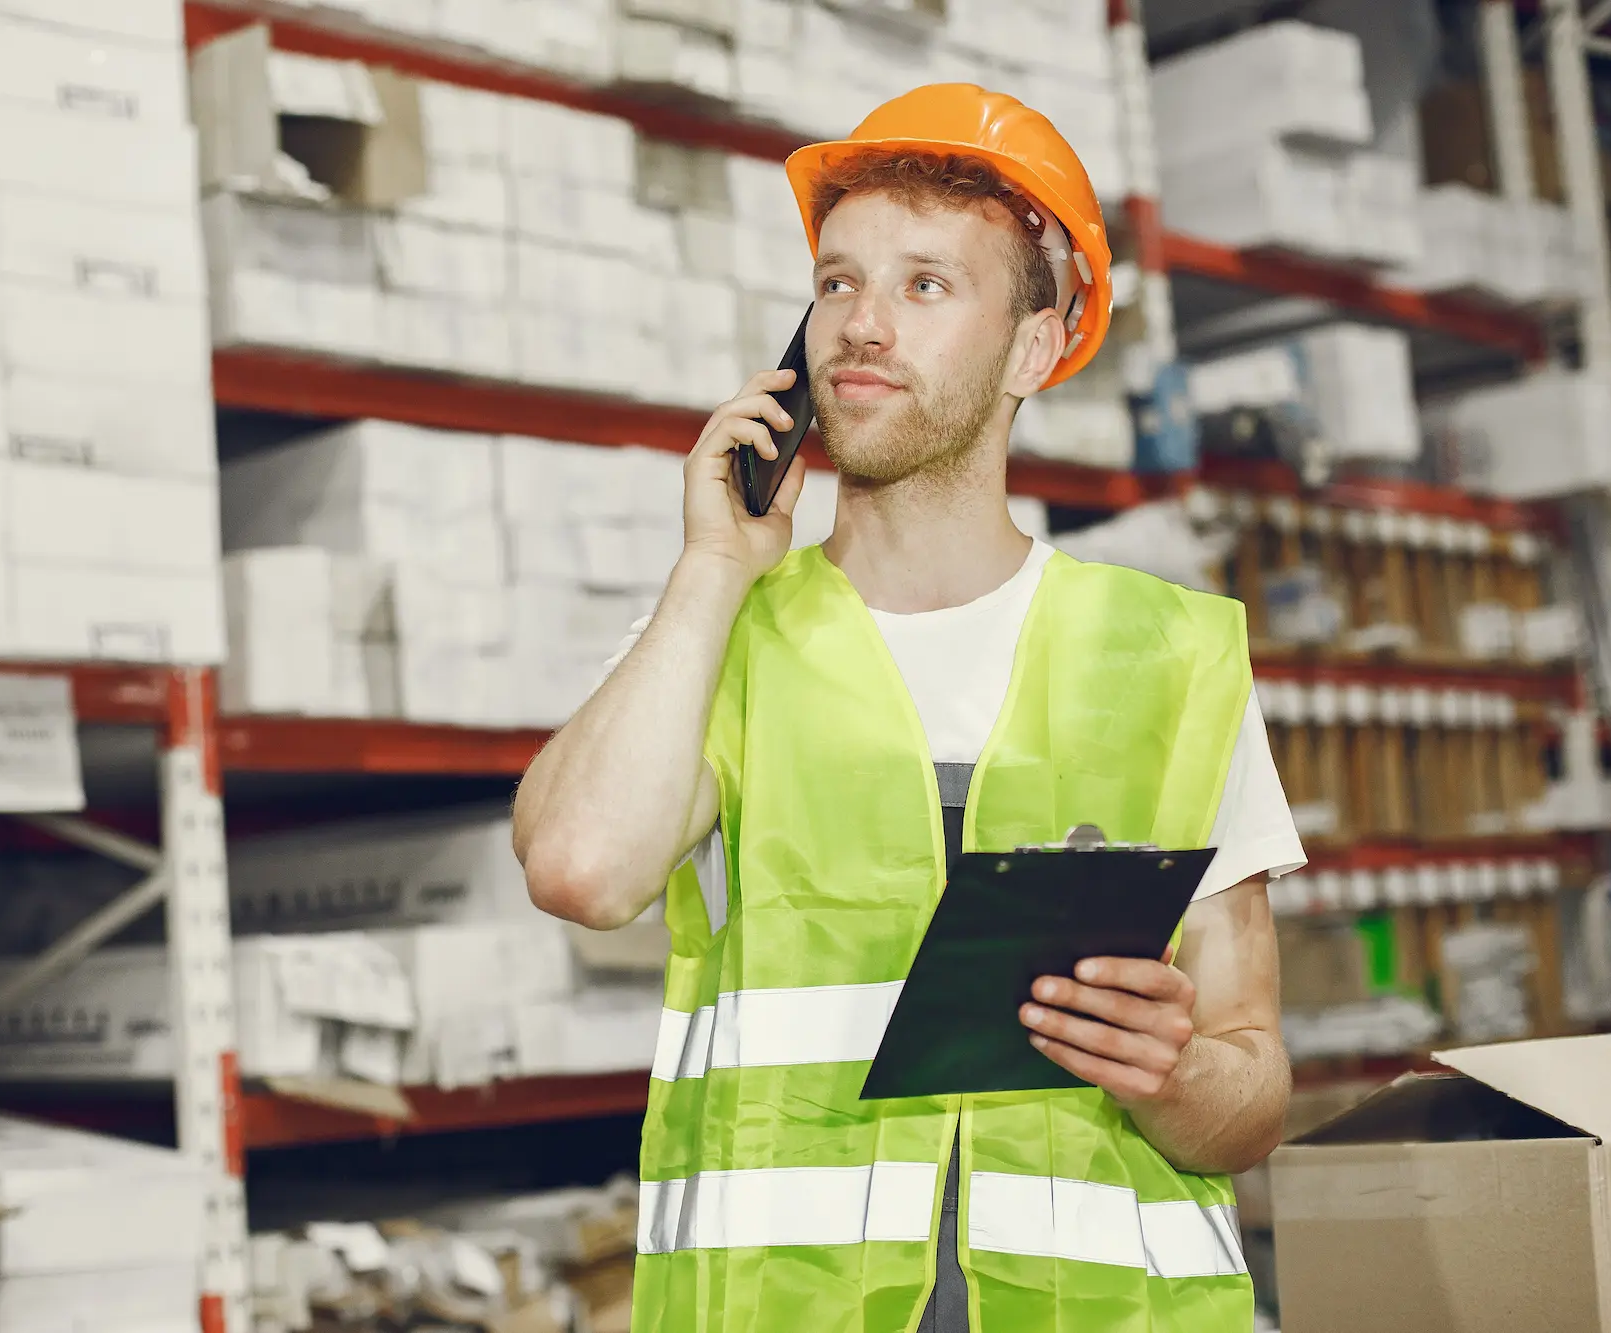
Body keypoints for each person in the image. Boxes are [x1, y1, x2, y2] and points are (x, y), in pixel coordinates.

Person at [513, 84, 1300, 1333]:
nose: (860, 326)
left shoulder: (1170, 658)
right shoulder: (720, 636)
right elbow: (576, 868)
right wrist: (713, 566)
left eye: (926, 286)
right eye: (835, 284)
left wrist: (1172, 1071)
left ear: (1032, 350)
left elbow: (1249, 1097)